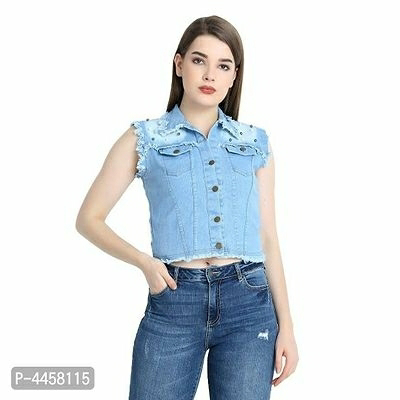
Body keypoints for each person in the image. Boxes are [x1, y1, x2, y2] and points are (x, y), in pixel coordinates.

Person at [76, 15, 298, 400]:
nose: (210, 74)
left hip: (249, 304)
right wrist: (145, 263)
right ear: (179, 65)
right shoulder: (145, 138)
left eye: (223, 66)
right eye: (199, 60)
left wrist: (288, 327)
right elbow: (89, 219)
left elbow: (268, 238)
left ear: (234, 76)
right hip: (175, 300)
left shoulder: (254, 143)